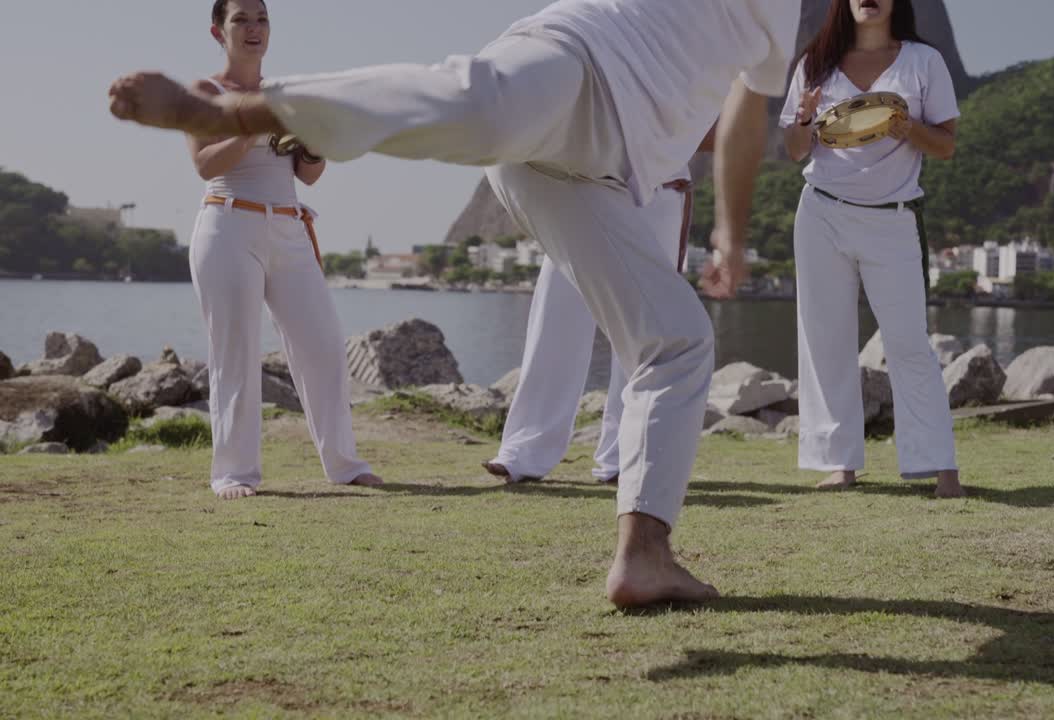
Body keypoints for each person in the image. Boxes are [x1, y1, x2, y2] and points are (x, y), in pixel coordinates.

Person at [109, 0, 801, 607]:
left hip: (604, 168)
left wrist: (731, 233)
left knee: (679, 339)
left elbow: (748, 107)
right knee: (484, 103)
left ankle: (644, 554)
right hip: (580, 63)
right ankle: (236, 110)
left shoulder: (782, 11)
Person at [185, 0, 381, 500]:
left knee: (324, 345)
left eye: (262, 19)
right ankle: (234, 473)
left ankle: (344, 464)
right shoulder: (206, 92)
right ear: (218, 31)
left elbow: (307, 173)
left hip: (290, 227)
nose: (254, 29)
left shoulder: (286, 92)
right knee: (236, 353)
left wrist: (314, 142)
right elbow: (205, 163)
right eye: (241, 20)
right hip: (227, 225)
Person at [779, 0, 964, 497]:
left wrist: (905, 128)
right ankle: (839, 464)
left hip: (893, 217)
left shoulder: (923, 62)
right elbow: (796, 149)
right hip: (821, 212)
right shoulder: (814, 63)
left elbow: (946, 145)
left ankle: (940, 465)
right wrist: (803, 118)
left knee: (907, 342)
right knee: (824, 338)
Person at [483, 167, 692, 487]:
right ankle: (524, 451)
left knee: (642, 334)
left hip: (659, 189)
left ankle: (622, 458)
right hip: (585, 189)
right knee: (556, 320)